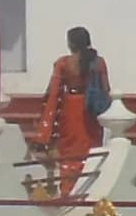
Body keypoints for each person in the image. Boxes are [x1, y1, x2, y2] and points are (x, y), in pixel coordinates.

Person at [35, 24, 112, 197]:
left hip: (70, 111)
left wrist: (43, 131)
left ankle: (68, 191)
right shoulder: (99, 62)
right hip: (91, 111)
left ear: (71, 43)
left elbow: (53, 95)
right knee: (90, 151)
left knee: (69, 155)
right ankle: (90, 190)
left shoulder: (63, 63)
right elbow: (106, 89)